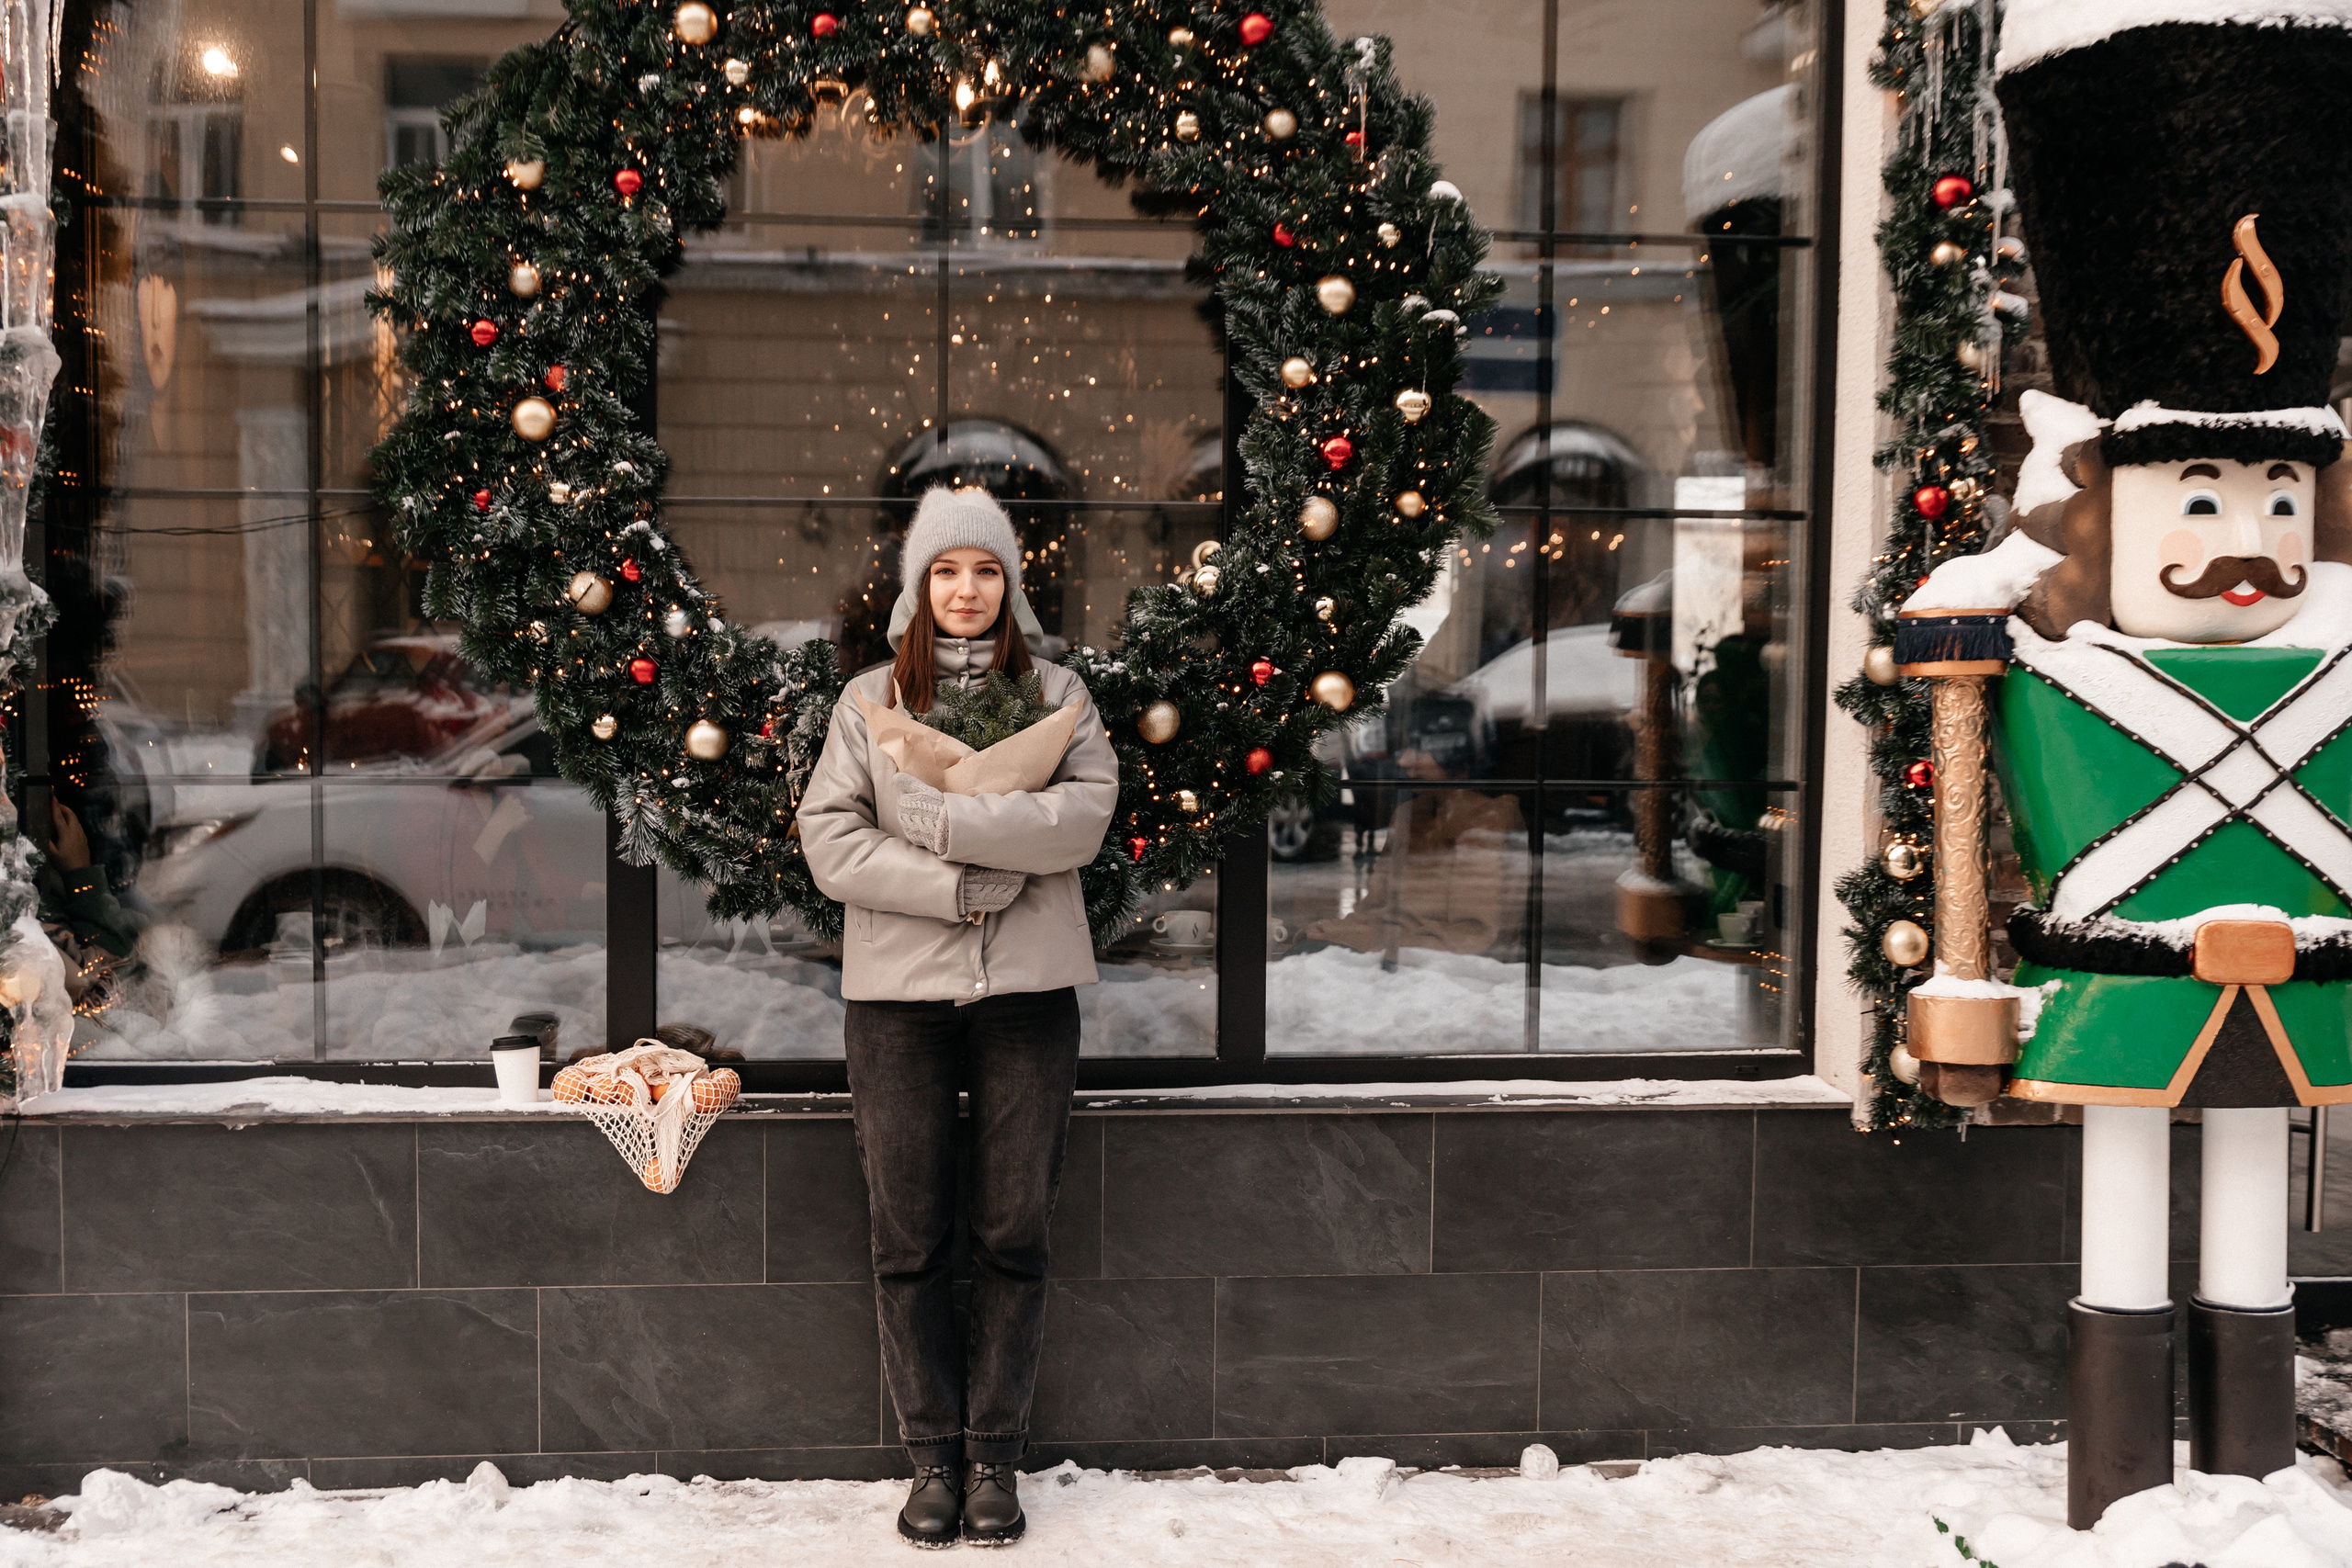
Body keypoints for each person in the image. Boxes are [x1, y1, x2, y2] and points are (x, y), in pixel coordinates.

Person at [798, 486, 1117, 1549]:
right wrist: (955, 886)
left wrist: (948, 817)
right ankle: (932, 1459)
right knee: (910, 1235)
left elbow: (1081, 817)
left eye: (985, 570)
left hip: (1027, 1000)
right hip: (898, 1004)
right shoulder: (866, 702)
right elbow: (830, 840)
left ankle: (997, 1462)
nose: (967, 589)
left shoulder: (1060, 694)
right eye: (947, 571)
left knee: (1012, 1233)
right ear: (917, 587)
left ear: (1011, 586)